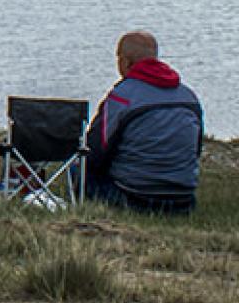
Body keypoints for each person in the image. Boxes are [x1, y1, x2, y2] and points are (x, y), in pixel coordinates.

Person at [85, 31, 203, 214]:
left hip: (134, 197)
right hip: (183, 199)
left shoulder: (122, 97)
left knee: (79, 171)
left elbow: (94, 152)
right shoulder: (188, 97)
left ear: (124, 62)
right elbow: (196, 150)